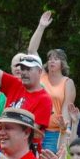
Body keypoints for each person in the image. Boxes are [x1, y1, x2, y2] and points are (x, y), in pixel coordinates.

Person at [0, 25, 52, 133]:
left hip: (24, 148)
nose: (24, 72)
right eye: (22, 68)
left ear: (40, 72)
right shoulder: (15, 83)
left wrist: (2, 124)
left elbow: (31, 131)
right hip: (4, 142)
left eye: (29, 69)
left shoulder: (45, 99)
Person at [27, 12, 76, 151]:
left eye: (56, 58)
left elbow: (67, 109)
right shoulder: (40, 75)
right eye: (50, 58)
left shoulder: (67, 82)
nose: (52, 61)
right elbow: (31, 50)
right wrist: (41, 26)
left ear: (63, 63)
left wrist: (65, 131)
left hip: (54, 132)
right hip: (34, 128)